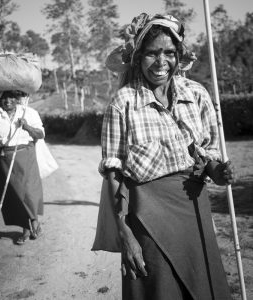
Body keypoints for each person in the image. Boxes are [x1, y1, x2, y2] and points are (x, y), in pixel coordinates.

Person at [92, 13, 234, 300]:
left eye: (169, 52)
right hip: (146, 216)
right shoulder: (123, 103)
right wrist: (125, 234)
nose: (161, 62)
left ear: (179, 56)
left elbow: (205, 154)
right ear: (138, 57)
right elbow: (113, 174)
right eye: (151, 53)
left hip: (193, 209)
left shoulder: (196, 95)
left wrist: (218, 171)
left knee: (202, 285)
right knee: (159, 289)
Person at [0, 90, 44, 245]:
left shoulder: (29, 112)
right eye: (4, 98)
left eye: (11, 97)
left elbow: (40, 134)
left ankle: (35, 221)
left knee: (29, 192)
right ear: (0, 100)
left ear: (17, 99)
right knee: (14, 195)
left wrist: (27, 127)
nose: (8, 101)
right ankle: (25, 229)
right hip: (4, 159)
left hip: (26, 156)